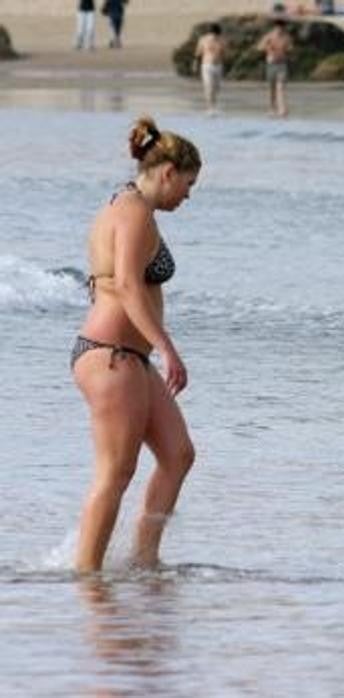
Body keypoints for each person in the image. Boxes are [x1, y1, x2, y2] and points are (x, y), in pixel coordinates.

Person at [71, 116, 201, 574]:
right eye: (188, 183)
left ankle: (144, 561)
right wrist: (167, 347)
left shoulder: (125, 206)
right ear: (167, 173)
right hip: (111, 356)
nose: (188, 195)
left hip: (130, 358)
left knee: (178, 453)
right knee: (116, 473)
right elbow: (126, 285)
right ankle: (87, 579)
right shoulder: (133, 211)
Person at [257, 19, 294, 118]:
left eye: (282, 27)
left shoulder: (286, 37)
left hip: (282, 64)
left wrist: (286, 49)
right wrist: (267, 47)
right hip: (271, 64)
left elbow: (290, 48)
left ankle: (283, 109)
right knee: (271, 89)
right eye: (278, 27)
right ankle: (272, 108)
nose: (280, 29)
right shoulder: (269, 36)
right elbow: (259, 47)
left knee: (281, 87)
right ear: (275, 27)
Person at [194, 23, 227, 114]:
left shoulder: (222, 41)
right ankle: (210, 107)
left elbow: (224, 53)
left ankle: (214, 105)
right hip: (207, 65)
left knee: (216, 87)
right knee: (209, 86)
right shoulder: (203, 40)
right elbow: (198, 53)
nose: (213, 37)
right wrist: (195, 64)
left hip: (218, 66)